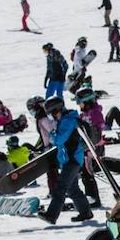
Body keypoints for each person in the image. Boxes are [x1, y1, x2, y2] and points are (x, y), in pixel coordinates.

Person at [38, 96, 94, 225]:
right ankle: (86, 212)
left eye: (50, 113)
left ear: (56, 110)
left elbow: (58, 140)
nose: (50, 117)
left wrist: (51, 133)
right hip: (69, 160)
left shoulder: (68, 121)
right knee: (72, 189)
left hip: (72, 159)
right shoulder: (64, 120)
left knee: (60, 188)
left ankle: (51, 215)